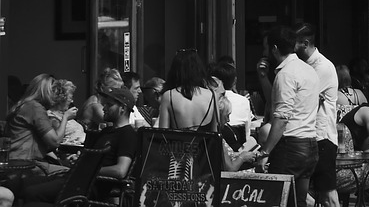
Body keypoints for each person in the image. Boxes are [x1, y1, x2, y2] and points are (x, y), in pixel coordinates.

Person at [3, 86, 140, 207]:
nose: (104, 107)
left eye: (109, 105)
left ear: (122, 108)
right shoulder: (106, 132)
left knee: (30, 193)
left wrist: (87, 169)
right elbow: (90, 156)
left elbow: (121, 171)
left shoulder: (127, 134)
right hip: (74, 177)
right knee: (20, 184)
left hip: (88, 186)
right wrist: (79, 159)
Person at [259, 24, 320, 207]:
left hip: (291, 146)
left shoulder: (286, 74)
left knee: (278, 200)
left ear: (274, 49)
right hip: (310, 144)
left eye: (265, 47)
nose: (264, 52)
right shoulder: (309, 70)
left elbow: (282, 117)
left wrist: (265, 151)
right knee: (298, 202)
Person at [295, 22, 339, 207]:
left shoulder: (322, 67)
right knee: (301, 192)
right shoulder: (301, 65)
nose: (291, 48)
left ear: (305, 43)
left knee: (328, 195)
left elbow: (300, 99)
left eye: (294, 43)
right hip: (308, 137)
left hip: (322, 138)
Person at [6, 74, 75, 173]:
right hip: (25, 165)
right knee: (73, 176)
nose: (57, 97)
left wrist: (61, 161)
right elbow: (55, 141)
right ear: (47, 92)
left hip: (17, 161)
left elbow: (38, 144)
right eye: (55, 92)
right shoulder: (34, 108)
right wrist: (66, 117)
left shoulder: (23, 105)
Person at [156, 49, 218, 129]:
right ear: (198, 69)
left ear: (175, 71)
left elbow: (163, 133)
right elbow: (215, 133)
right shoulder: (212, 95)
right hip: (205, 141)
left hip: (178, 141)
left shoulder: (168, 96)